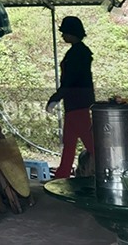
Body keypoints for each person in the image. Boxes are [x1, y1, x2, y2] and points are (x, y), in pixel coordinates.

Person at [45, 16, 96, 179]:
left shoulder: (77, 53)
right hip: (76, 103)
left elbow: (70, 80)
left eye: (64, 32)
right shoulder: (79, 51)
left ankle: (106, 170)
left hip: (78, 103)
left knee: (91, 144)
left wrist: (55, 98)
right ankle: (62, 174)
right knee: (69, 143)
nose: (62, 36)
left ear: (71, 33)